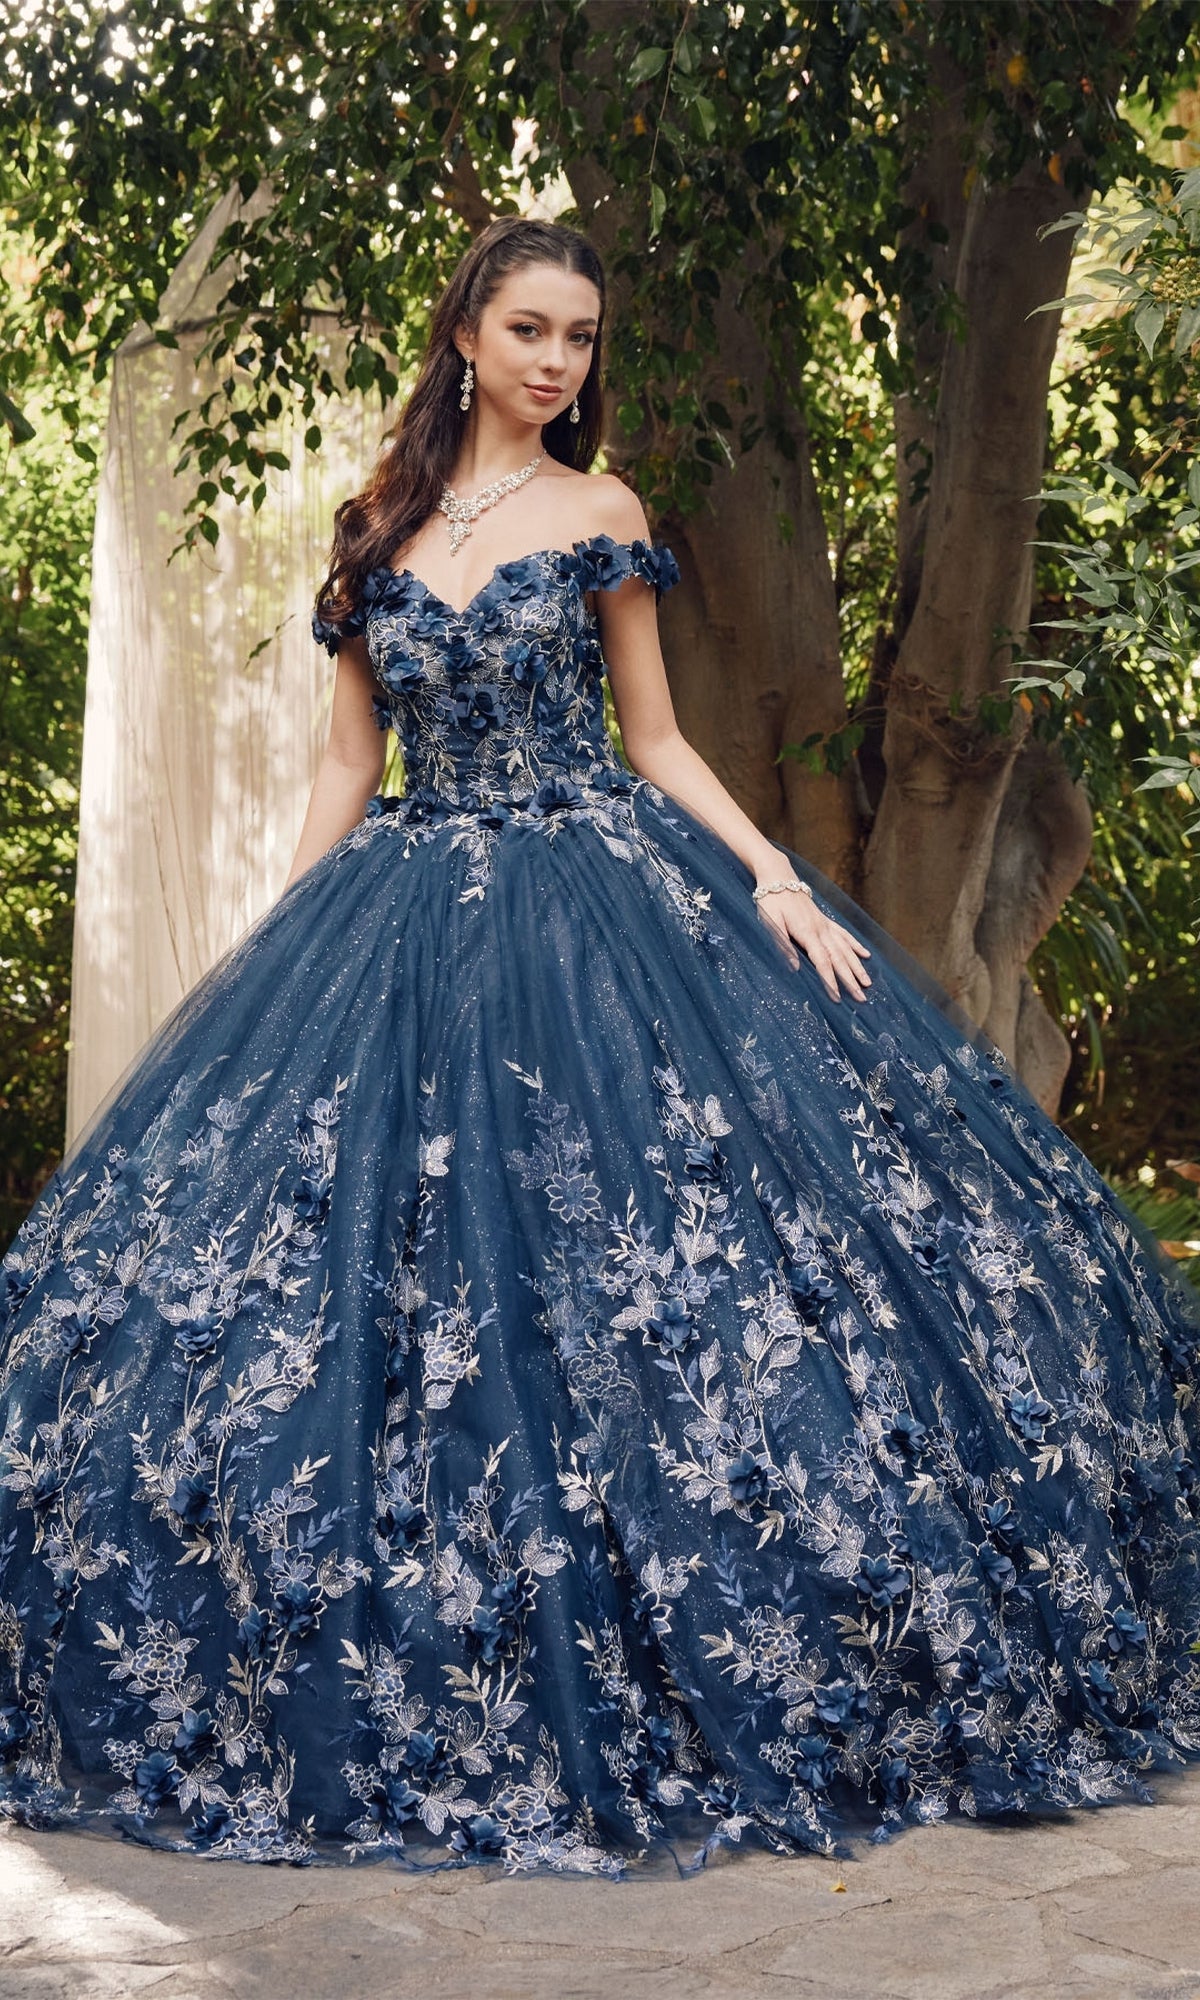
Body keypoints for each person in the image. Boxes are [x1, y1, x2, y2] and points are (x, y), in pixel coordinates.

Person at [2, 216, 1200, 1883]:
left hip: (597, 901)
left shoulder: (606, 514)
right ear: (469, 335)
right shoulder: (370, 532)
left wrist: (777, 873)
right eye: (533, 329)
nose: (561, 361)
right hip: (410, 908)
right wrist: (286, 929)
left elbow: (657, 738)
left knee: (632, 1245)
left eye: (581, 337)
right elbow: (353, 765)